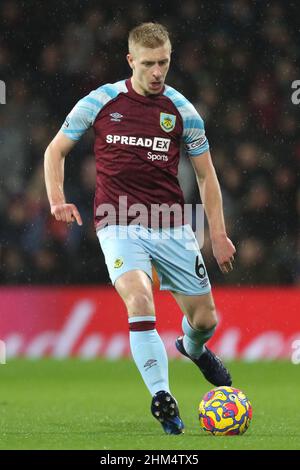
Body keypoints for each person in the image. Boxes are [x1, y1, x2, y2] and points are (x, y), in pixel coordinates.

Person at [44, 22, 236, 435]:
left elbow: (207, 176)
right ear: (131, 61)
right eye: (148, 63)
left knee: (205, 319)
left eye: (163, 62)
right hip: (118, 221)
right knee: (139, 300)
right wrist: (56, 198)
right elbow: (55, 149)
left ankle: (193, 348)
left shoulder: (183, 111)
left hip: (171, 225)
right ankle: (162, 397)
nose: (156, 72)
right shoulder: (100, 101)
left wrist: (217, 233)